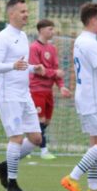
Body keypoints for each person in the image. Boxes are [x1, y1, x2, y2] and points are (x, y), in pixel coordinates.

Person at [60, 2, 97, 191]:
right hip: (92, 99)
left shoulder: (81, 40)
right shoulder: (91, 43)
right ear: (93, 20)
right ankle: (73, 177)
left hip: (86, 96)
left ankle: (93, 188)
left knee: (95, 142)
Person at [0, 0, 43, 191]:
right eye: (22, 11)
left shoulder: (23, 36)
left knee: (36, 138)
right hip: (9, 95)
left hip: (24, 94)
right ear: (11, 14)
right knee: (17, 138)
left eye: (27, 11)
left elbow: (21, 65)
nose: (26, 14)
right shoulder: (2, 37)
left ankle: (4, 166)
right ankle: (12, 183)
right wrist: (13, 65)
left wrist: (34, 68)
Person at [28, 18, 65, 160]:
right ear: (41, 30)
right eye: (50, 29)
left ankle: (27, 143)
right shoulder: (34, 48)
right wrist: (55, 73)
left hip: (48, 90)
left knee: (46, 121)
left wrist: (61, 86)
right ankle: (43, 150)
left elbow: (56, 70)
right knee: (40, 120)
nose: (53, 32)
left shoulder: (52, 48)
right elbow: (38, 70)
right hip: (36, 89)